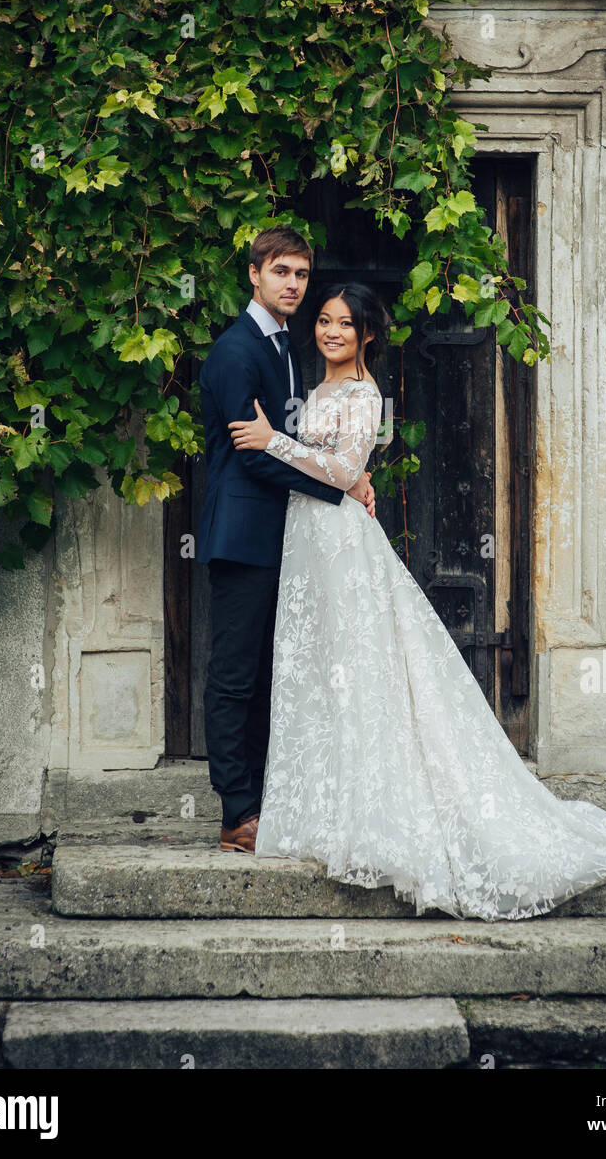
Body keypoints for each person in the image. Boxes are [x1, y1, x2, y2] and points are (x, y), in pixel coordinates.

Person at [227, 281, 606, 920]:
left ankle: (379, 817)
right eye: (324, 321)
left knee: (361, 666)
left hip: (342, 542)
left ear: (367, 334)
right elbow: (341, 468)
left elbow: (344, 471)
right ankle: (322, 811)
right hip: (308, 540)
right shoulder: (315, 391)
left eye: (345, 323)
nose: (331, 331)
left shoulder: (366, 394)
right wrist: (320, 459)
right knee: (317, 667)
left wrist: (274, 442)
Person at [196, 232, 375, 854]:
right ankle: (236, 813)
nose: (293, 284)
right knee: (235, 675)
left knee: (279, 673)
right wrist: (342, 490)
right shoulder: (235, 353)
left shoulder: (290, 350)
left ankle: (272, 800)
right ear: (254, 276)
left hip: (291, 539)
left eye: (301, 274)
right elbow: (254, 454)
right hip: (244, 536)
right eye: (281, 272)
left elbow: (295, 443)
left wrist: (352, 472)